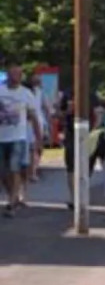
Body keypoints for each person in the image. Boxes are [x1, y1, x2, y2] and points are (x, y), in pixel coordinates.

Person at [0, 61, 45, 217]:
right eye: (13, 74)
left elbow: (34, 118)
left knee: (14, 168)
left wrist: (39, 138)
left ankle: (12, 203)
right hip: (2, 137)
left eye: (19, 74)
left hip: (18, 137)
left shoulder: (26, 94)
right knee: (3, 171)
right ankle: (13, 193)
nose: (16, 77)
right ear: (8, 75)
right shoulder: (1, 91)